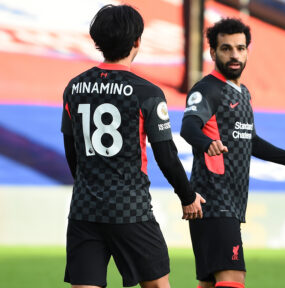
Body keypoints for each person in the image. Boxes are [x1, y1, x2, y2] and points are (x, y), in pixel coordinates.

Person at [61, 4, 205, 288]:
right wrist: (187, 196)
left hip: (84, 210)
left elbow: (71, 149)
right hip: (130, 210)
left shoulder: (74, 87)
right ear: (137, 41)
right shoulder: (147, 93)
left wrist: (88, 186)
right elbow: (165, 154)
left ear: (97, 41)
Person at [180, 18, 285, 288]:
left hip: (228, 205)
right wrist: (205, 143)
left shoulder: (243, 93)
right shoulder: (207, 89)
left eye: (240, 48)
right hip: (214, 201)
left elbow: (253, 143)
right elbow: (189, 127)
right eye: (226, 48)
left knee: (210, 283)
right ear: (213, 53)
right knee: (234, 279)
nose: (234, 54)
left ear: (248, 51)